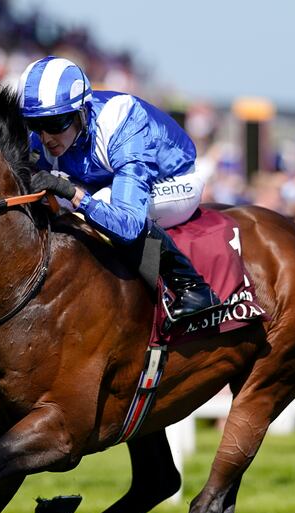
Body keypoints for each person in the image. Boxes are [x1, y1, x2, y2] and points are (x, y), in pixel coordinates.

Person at [18, 56, 218, 319]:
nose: (45, 138)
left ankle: (192, 287)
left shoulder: (121, 121)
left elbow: (129, 224)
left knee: (99, 200)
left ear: (81, 112)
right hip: (110, 180)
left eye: (55, 124)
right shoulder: (47, 135)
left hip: (177, 180)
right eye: (35, 124)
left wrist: (73, 193)